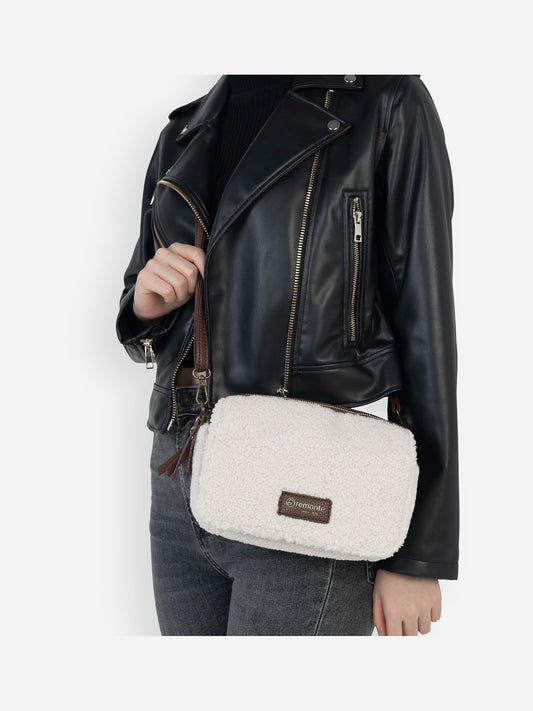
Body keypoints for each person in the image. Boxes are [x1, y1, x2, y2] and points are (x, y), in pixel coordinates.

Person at [116, 74, 458, 636]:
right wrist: (146, 305)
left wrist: (419, 551)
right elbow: (140, 320)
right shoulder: (183, 130)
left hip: (305, 467)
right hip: (177, 467)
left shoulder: (386, 100)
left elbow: (426, 328)